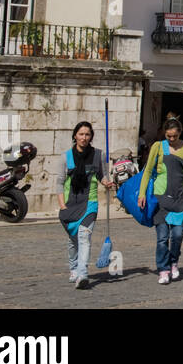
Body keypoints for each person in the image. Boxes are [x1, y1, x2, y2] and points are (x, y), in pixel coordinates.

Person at [138, 118, 183, 285]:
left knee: (178, 234)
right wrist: (142, 193)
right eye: (168, 136)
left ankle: (173, 262)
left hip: (179, 198)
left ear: (180, 133)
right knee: (162, 237)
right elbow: (147, 171)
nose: (171, 139)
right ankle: (163, 269)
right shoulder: (158, 146)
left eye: (174, 136)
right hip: (160, 198)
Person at [57, 121, 112, 290]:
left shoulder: (98, 155)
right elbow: (59, 182)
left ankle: (82, 274)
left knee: (84, 238)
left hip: (90, 203)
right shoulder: (65, 157)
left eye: (87, 134)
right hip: (70, 204)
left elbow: (102, 175)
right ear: (75, 136)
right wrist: (62, 205)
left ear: (91, 137)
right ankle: (73, 268)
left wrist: (106, 182)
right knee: (73, 240)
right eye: (81, 134)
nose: (84, 138)